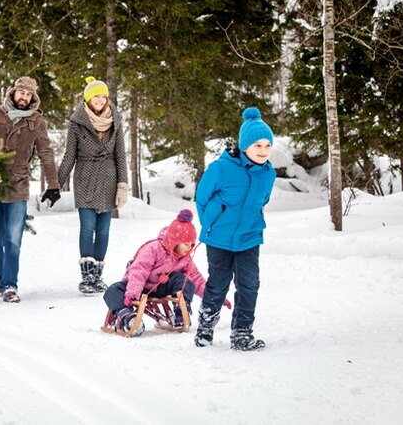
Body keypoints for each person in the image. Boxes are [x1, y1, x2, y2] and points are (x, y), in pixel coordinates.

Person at [0, 76, 61, 303]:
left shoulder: (36, 121)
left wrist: (53, 185)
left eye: (28, 94)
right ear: (12, 93)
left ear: (33, 97)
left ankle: (10, 286)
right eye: (21, 92)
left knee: (12, 240)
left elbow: (46, 153)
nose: (24, 97)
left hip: (18, 186)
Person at [194, 106, 276, 351]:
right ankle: (205, 327)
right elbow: (202, 198)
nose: (263, 151)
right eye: (257, 146)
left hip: (249, 237)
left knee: (249, 284)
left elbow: (263, 201)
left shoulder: (268, 173)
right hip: (218, 238)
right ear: (245, 146)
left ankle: (242, 333)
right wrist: (210, 224)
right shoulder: (221, 168)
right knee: (218, 283)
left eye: (267, 146)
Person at [103, 209, 231, 336]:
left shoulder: (185, 258)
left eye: (192, 244)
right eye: (186, 244)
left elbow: (197, 279)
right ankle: (127, 317)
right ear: (175, 241)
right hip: (140, 287)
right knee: (113, 290)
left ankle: (181, 309)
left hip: (162, 288)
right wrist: (132, 293)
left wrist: (216, 298)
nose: (190, 248)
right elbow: (139, 271)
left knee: (185, 279)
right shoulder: (153, 249)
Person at [57, 76, 129, 294]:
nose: (100, 99)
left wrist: (122, 185)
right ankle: (86, 277)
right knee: (88, 228)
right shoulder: (76, 122)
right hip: (85, 178)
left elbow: (120, 155)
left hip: (109, 178)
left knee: (104, 230)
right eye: (95, 95)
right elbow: (70, 155)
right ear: (88, 99)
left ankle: (97, 276)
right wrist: (56, 184)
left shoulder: (115, 120)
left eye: (103, 96)